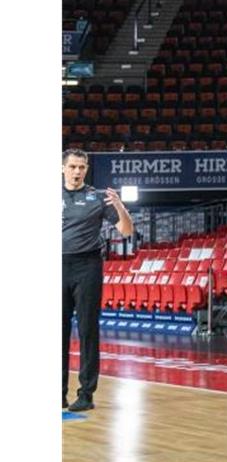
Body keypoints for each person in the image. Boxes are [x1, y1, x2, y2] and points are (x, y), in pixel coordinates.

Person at [62, 148, 134, 412]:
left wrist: (120, 207)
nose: (77, 171)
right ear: (62, 169)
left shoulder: (97, 197)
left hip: (87, 266)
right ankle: (58, 393)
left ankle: (86, 394)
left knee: (88, 331)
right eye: (72, 167)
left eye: (82, 167)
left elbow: (127, 231)